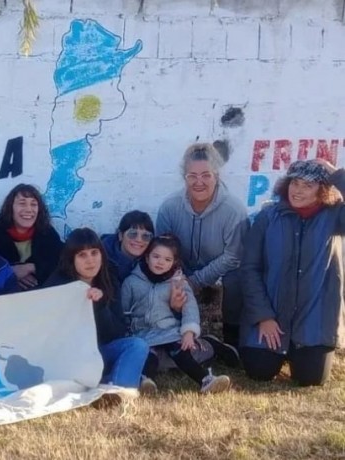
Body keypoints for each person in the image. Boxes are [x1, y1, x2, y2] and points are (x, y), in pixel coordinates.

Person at [241, 159, 345, 386]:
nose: (298, 191)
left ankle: (300, 354)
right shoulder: (268, 217)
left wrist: (337, 175)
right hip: (271, 318)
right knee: (259, 371)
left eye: (308, 185)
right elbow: (249, 268)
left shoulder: (334, 217)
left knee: (311, 379)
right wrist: (263, 316)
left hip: (314, 323)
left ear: (323, 189)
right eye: (295, 183)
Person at [156, 142, 248, 348]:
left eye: (206, 175)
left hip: (220, 269)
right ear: (184, 177)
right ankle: (168, 334)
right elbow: (162, 248)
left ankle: (232, 337)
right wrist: (180, 276)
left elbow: (233, 256)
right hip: (181, 268)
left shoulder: (234, 210)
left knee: (237, 277)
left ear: (217, 175)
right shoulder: (169, 207)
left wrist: (197, 280)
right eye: (192, 176)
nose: (199, 182)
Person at [121, 235, 233, 393]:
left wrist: (188, 332)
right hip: (143, 333)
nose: (160, 262)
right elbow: (123, 311)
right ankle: (145, 380)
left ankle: (205, 380)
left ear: (174, 262)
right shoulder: (131, 282)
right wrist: (126, 335)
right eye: (156, 256)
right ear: (147, 258)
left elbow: (190, 308)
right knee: (149, 355)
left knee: (180, 351)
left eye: (167, 259)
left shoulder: (178, 282)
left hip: (169, 331)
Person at [43, 228, 149, 393]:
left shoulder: (108, 280)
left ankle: (117, 393)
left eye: (94, 253)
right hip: (69, 358)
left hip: (99, 352)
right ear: (72, 259)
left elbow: (117, 332)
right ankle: (120, 381)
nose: (90, 261)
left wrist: (100, 306)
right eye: (82, 255)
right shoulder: (58, 284)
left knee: (137, 345)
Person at [0, 184, 64, 291]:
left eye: (33, 204)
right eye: (22, 203)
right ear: (11, 207)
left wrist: (32, 268)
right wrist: (10, 273)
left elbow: (63, 262)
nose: (29, 209)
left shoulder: (47, 234)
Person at [101, 210, 154, 283]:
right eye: (132, 234)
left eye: (146, 236)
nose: (139, 240)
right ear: (120, 235)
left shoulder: (154, 261)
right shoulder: (100, 260)